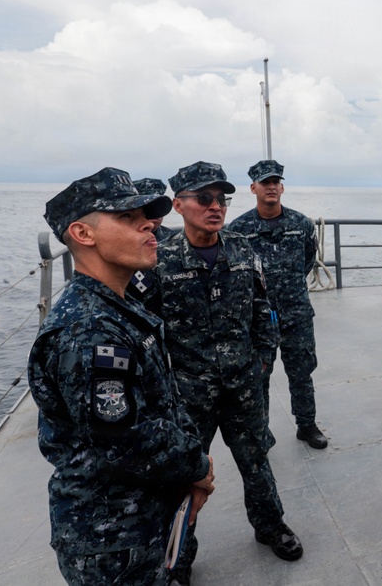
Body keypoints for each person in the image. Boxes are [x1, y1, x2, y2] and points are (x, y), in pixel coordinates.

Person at [28, 167, 215, 586]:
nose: (148, 224)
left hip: (144, 517)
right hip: (112, 539)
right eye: (128, 218)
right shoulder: (88, 330)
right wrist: (197, 465)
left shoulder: (121, 305)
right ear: (83, 233)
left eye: (146, 216)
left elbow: (158, 402)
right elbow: (125, 439)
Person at [155, 161, 303, 584]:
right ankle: (179, 554)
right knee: (185, 475)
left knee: (256, 462)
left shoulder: (242, 248)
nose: (215, 206)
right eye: (204, 198)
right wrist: (166, 388)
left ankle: (271, 526)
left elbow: (262, 310)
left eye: (221, 198)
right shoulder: (159, 260)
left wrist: (261, 360)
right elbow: (148, 332)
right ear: (179, 205)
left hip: (243, 384)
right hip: (188, 394)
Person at [227, 159, 328, 450]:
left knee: (302, 372)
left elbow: (309, 260)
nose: (271, 187)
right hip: (258, 318)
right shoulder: (239, 229)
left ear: (281, 187)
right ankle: (262, 433)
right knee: (260, 377)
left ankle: (307, 425)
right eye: (264, 182)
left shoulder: (300, 224)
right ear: (253, 187)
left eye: (275, 182)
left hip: (296, 313)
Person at [127, 177, 174, 309]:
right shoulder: (121, 243)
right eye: (148, 207)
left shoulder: (174, 240)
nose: (155, 213)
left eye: (159, 207)